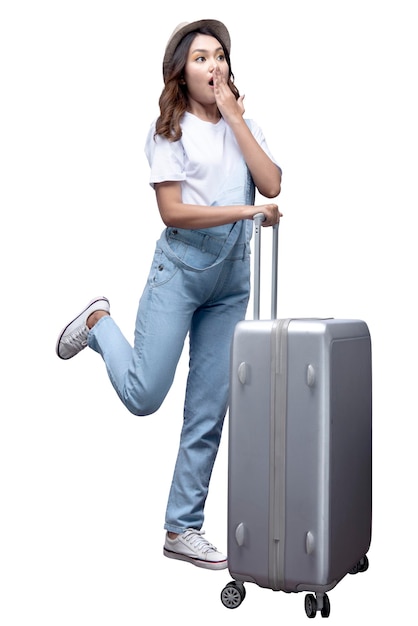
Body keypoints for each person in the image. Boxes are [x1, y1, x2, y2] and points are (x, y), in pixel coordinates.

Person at [56, 19, 282, 571]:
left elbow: (273, 182)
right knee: (143, 395)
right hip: (179, 271)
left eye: (220, 56)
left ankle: (182, 527)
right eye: (201, 57)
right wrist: (246, 210)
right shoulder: (170, 130)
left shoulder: (243, 124)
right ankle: (99, 323)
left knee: (210, 408)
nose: (214, 65)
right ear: (181, 70)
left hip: (230, 284)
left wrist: (234, 117)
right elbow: (173, 211)